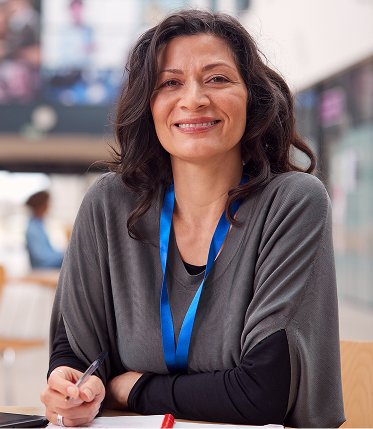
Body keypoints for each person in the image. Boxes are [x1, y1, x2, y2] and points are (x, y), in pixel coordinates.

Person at [41, 10, 344, 428]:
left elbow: (261, 394)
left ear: (252, 98)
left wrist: (132, 388)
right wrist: (69, 384)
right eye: (170, 83)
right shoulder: (109, 204)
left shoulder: (292, 203)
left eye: (217, 78)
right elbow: (78, 352)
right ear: (148, 106)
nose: (194, 99)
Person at [25, 191, 64, 269]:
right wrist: (63, 256)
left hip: (49, 265)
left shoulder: (39, 224)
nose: (49, 206)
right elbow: (42, 257)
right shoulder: (33, 229)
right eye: (47, 203)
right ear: (41, 205)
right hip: (44, 268)